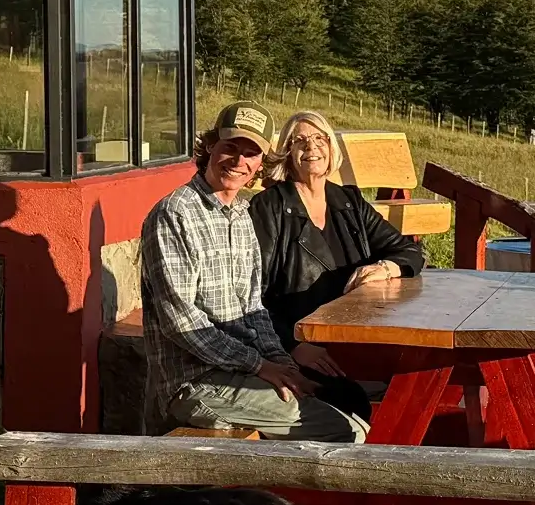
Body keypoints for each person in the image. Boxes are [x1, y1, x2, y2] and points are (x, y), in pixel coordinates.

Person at [140, 100, 367, 440]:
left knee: (351, 401)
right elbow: (181, 323)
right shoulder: (175, 214)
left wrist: (284, 365)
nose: (239, 161)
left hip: (244, 370)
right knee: (345, 431)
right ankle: (273, 493)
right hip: (195, 382)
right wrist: (262, 366)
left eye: (251, 153)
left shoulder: (242, 214)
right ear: (211, 146)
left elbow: (254, 309)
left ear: (262, 162)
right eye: (230, 147)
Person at [250, 110, 426, 420]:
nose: (311, 147)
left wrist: (385, 268)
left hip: (354, 338)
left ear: (332, 149)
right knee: (352, 401)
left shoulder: (348, 202)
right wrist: (292, 344)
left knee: (416, 376)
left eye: (320, 138)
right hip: (303, 344)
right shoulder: (269, 207)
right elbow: (251, 296)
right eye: (300, 140)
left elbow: (406, 249)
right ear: (288, 153)